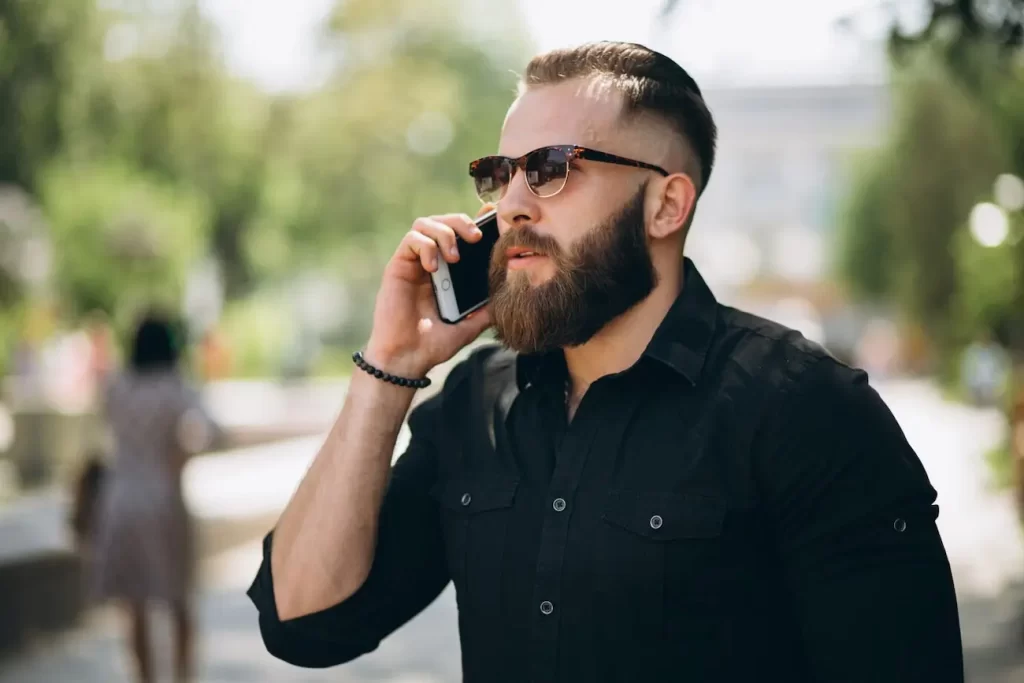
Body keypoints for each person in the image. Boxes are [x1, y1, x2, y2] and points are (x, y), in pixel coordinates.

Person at [247, 42, 963, 681]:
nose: (514, 206)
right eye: (502, 174)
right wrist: (389, 365)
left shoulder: (807, 409)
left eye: (552, 168)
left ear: (665, 205)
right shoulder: (476, 403)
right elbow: (306, 623)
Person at [91, 312, 214, 683]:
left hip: (119, 499)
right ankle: (181, 677)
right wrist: (181, 455)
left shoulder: (116, 386)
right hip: (163, 499)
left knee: (135, 605)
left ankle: (143, 678)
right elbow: (211, 429)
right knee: (177, 599)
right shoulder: (175, 386)